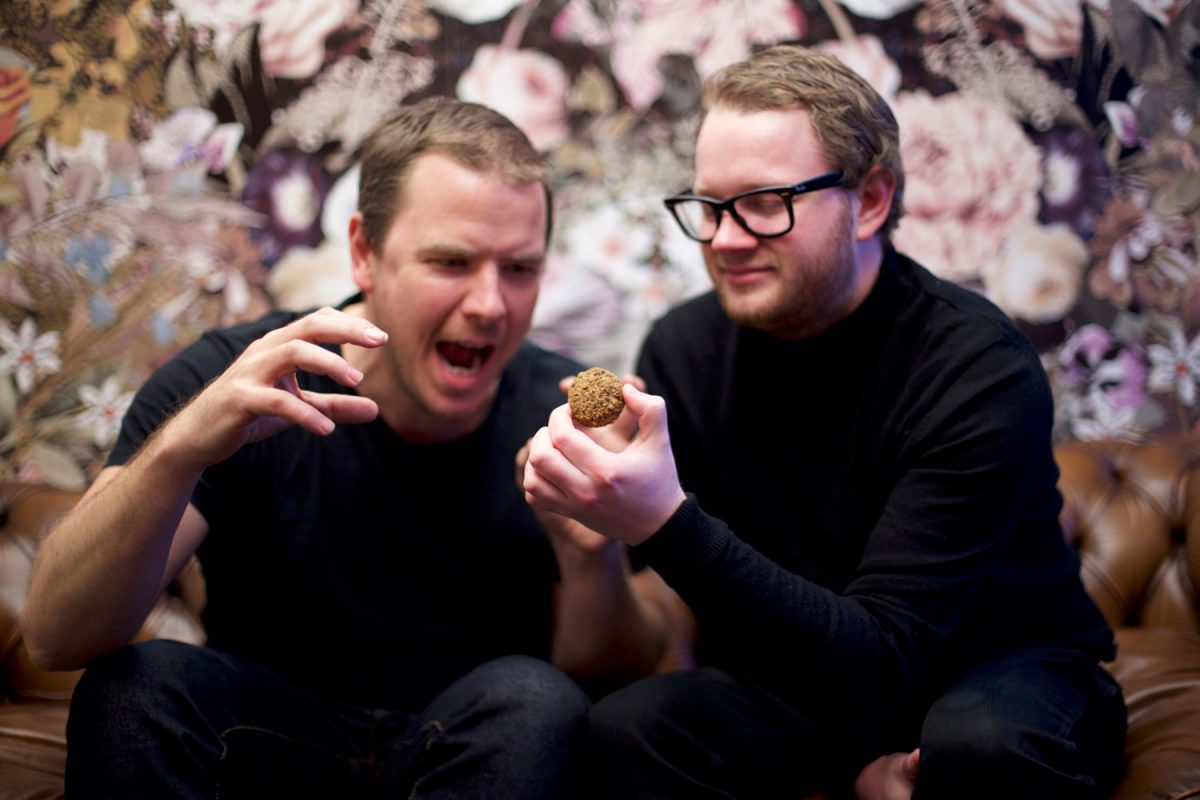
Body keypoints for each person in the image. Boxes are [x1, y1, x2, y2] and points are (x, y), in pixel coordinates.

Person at [20, 97, 675, 799]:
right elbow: (56, 639)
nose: (491, 303)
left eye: (519, 268)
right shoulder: (241, 378)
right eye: (451, 261)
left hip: (470, 750)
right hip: (263, 739)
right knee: (135, 687)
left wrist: (590, 553)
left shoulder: (564, 415)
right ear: (364, 252)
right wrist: (182, 450)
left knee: (538, 699)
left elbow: (618, 679)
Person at [522, 45, 1127, 800]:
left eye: (766, 203)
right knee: (627, 727)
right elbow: (681, 631)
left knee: (978, 747)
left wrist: (663, 520)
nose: (727, 239)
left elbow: (881, 650)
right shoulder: (685, 348)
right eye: (709, 206)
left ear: (870, 200)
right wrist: (598, 534)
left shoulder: (975, 366)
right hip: (807, 684)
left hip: (996, 672)